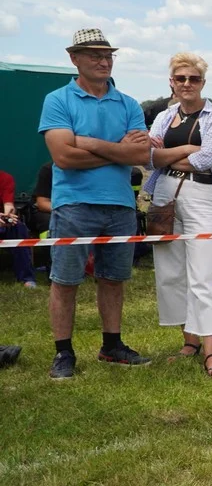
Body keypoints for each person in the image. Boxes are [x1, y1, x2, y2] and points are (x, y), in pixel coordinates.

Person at [37, 28, 152, 380]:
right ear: (74, 59)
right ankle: (63, 353)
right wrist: (116, 150)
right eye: (94, 56)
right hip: (73, 205)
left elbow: (141, 154)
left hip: (120, 205)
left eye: (108, 56)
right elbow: (63, 157)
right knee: (65, 281)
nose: (104, 62)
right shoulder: (58, 100)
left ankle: (112, 345)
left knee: (114, 279)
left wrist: (88, 142)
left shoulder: (129, 103)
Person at [145, 53, 212, 377]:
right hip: (164, 196)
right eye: (180, 78)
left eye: (193, 79)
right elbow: (149, 158)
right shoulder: (163, 116)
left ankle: (211, 351)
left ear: (202, 83)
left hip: (202, 196)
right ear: (171, 82)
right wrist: (186, 149)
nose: (187, 84)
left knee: (203, 276)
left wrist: (169, 156)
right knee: (171, 272)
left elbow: (209, 158)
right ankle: (189, 341)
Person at [0, 170, 36, 288]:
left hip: (1, 222)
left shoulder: (5, 178)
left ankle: (27, 278)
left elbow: (9, 205)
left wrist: (9, 215)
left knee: (18, 227)